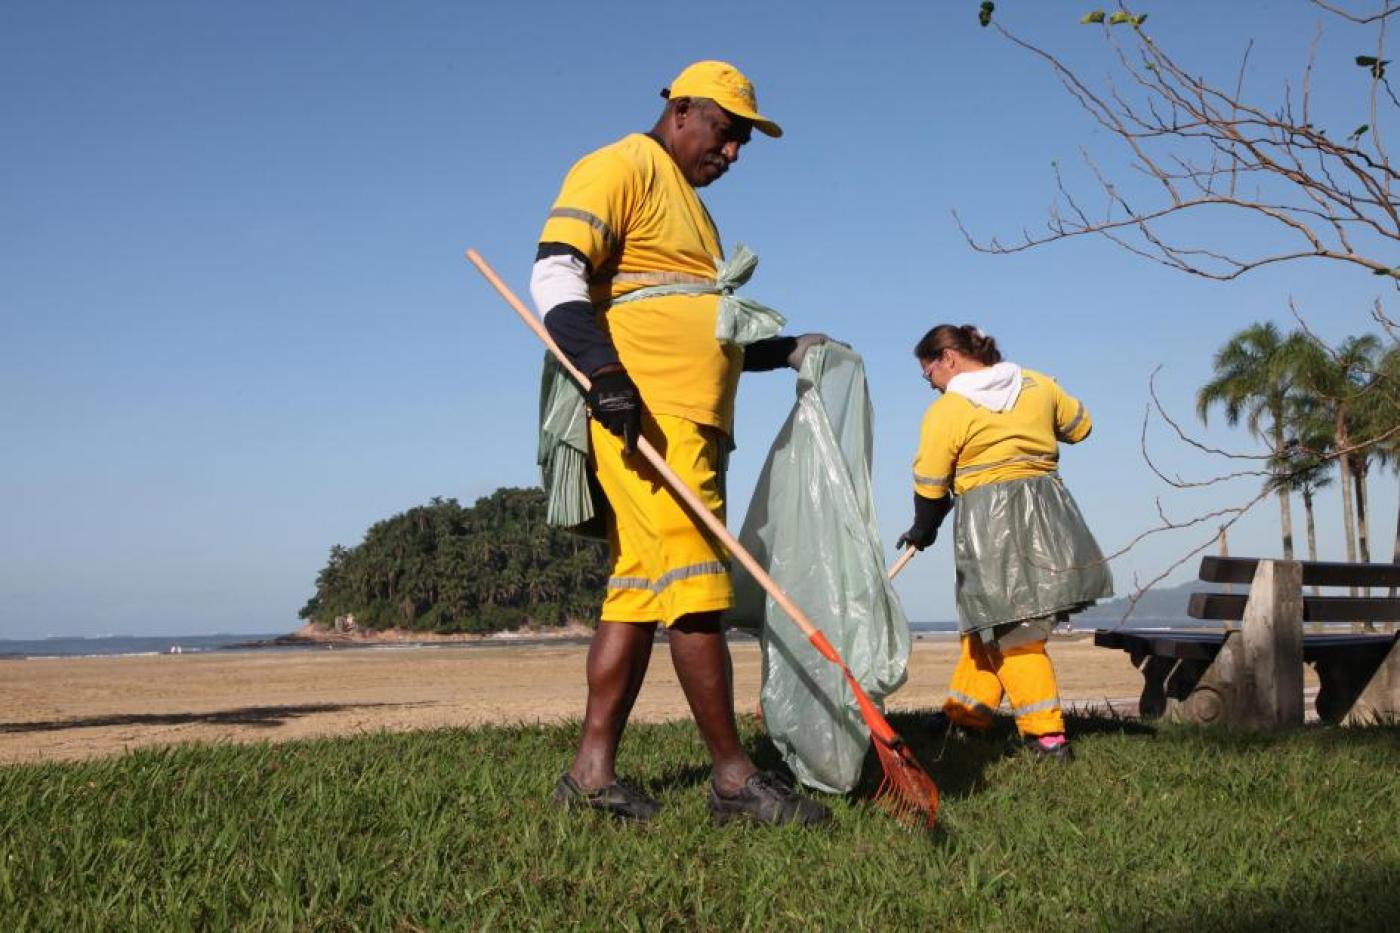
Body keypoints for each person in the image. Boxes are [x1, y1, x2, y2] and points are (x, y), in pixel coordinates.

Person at [529, 61, 831, 824]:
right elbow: (557, 273)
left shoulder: (689, 209)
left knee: (636, 590)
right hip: (645, 418)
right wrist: (603, 371)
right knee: (697, 586)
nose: (731, 155)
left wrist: (784, 349)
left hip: (688, 421)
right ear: (683, 110)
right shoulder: (622, 164)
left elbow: (693, 318)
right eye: (726, 135)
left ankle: (591, 774)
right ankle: (733, 778)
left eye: (741, 146)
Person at [896, 324, 1113, 760]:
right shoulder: (1038, 383)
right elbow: (1081, 427)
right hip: (1051, 513)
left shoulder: (949, 409)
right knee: (988, 620)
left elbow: (932, 484)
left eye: (929, 374)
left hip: (992, 522)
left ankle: (1046, 736)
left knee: (1015, 632)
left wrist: (923, 529)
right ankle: (965, 715)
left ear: (949, 359)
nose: (931, 385)